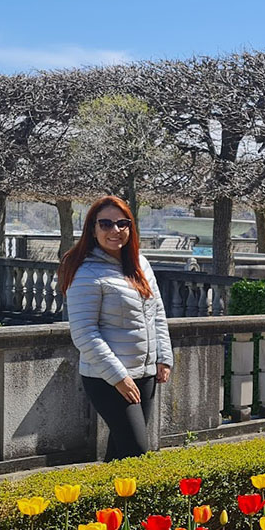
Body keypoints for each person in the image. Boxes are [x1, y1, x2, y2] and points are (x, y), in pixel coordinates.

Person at [58, 196, 173, 461]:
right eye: (106, 224)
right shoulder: (85, 272)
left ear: (131, 227)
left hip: (144, 373)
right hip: (107, 378)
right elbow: (84, 333)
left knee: (121, 454)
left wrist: (164, 358)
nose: (115, 230)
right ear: (93, 229)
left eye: (122, 223)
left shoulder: (140, 264)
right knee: (137, 453)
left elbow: (157, 313)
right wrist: (119, 378)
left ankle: (107, 503)